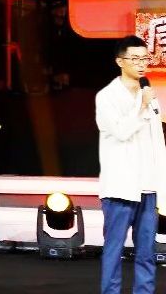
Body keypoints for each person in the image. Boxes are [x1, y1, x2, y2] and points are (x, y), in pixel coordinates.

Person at [96, 35, 166, 294]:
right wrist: (141, 105)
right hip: (120, 189)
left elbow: (157, 141)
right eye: (135, 59)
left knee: (147, 252)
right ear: (120, 61)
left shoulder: (149, 95)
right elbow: (121, 131)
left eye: (145, 59)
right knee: (114, 251)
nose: (141, 64)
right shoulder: (107, 97)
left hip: (148, 188)